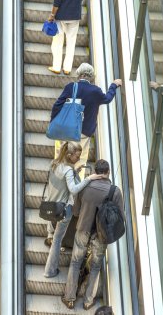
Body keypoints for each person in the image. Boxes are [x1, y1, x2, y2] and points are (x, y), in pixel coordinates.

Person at [62, 159, 125, 310]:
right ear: (108, 172)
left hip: (83, 229)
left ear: (95, 172)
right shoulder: (115, 191)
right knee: (96, 267)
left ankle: (69, 298)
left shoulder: (85, 186)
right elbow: (120, 217)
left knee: (76, 262)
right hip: (101, 236)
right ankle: (88, 301)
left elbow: (76, 211)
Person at [51, 63, 122, 178]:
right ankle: (76, 182)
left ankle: (57, 177)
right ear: (91, 76)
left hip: (66, 128)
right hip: (83, 132)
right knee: (80, 159)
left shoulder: (71, 87)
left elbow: (57, 105)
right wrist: (113, 85)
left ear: (79, 74)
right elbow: (107, 99)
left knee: (61, 153)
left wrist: (54, 121)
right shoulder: (95, 91)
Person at [44, 142, 103, 278]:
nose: (78, 158)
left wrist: (75, 172)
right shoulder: (68, 170)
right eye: (77, 156)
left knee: (56, 237)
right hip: (64, 211)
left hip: (52, 207)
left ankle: (50, 237)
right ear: (69, 155)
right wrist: (89, 178)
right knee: (57, 240)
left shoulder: (54, 164)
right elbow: (74, 190)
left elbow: (61, 181)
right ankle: (49, 271)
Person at [47, 0, 113, 75]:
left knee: (57, 42)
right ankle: (67, 68)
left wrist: (52, 15)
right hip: (74, 17)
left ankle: (56, 66)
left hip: (60, 17)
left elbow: (57, 1)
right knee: (71, 42)